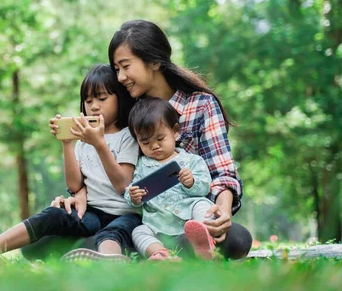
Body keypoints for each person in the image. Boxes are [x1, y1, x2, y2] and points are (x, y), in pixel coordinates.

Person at [0, 64, 141, 265]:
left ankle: (109, 262)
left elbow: (123, 184)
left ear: (120, 99)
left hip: (125, 214)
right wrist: (67, 144)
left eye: (102, 98)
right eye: (88, 101)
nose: (94, 106)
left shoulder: (127, 136)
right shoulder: (82, 141)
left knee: (112, 233)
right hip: (92, 213)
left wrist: (99, 144)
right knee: (55, 215)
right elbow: (74, 185)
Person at [108, 19, 252, 259]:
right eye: (116, 69)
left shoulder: (201, 105)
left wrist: (222, 212)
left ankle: (182, 247)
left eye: (125, 66)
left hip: (192, 216)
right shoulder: (127, 112)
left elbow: (223, 173)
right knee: (46, 241)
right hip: (146, 222)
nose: (120, 77)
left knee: (237, 240)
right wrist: (75, 195)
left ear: (154, 61)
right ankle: (147, 250)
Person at [126, 97, 215, 261]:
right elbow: (133, 189)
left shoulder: (191, 160)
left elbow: (205, 188)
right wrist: (133, 196)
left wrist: (192, 182)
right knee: (138, 232)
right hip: (157, 225)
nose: (154, 146)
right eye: (145, 142)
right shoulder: (142, 164)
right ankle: (160, 254)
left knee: (201, 204)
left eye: (160, 139)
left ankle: (204, 237)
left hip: (188, 221)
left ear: (175, 131)